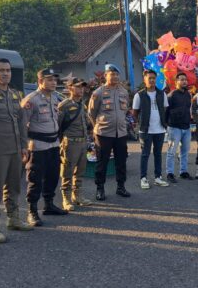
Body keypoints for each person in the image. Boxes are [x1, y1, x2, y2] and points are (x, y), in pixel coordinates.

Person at [0, 57, 33, 243]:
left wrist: (24, 146)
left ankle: (13, 219)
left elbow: (21, 122)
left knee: (14, 186)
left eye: (8, 70)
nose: (5, 73)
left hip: (15, 149)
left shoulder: (15, 94)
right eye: (1, 70)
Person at [21, 68, 67, 226]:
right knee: (35, 179)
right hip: (37, 145)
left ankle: (49, 204)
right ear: (40, 81)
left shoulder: (55, 98)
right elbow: (22, 125)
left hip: (54, 143)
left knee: (53, 176)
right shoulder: (31, 100)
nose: (53, 82)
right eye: (49, 79)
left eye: (54, 79)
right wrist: (24, 146)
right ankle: (32, 211)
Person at [87, 64, 131, 201]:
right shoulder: (98, 93)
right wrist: (97, 128)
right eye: (112, 74)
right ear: (105, 76)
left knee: (121, 161)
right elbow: (91, 113)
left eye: (117, 74)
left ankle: (121, 187)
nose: (115, 77)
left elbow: (125, 110)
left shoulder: (124, 92)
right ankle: (100, 188)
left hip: (121, 133)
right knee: (102, 162)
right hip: (103, 133)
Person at [58, 77, 92, 211]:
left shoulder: (82, 105)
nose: (81, 89)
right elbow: (58, 126)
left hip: (82, 142)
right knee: (67, 171)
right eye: (78, 87)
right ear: (70, 88)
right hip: (70, 143)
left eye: (82, 87)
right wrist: (61, 143)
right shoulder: (64, 105)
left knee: (80, 171)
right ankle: (66, 198)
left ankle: (77, 195)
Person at [132, 69, 169, 189]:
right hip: (145, 130)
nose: (152, 80)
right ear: (145, 79)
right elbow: (135, 113)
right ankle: (143, 178)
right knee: (145, 154)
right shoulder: (139, 95)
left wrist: (165, 124)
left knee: (158, 154)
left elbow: (165, 109)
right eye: (149, 78)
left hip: (160, 130)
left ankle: (158, 177)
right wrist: (139, 126)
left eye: (154, 78)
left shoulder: (161, 94)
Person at [165, 72, 193, 183]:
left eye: (185, 79)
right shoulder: (171, 95)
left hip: (186, 128)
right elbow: (165, 111)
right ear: (176, 82)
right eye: (181, 79)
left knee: (184, 151)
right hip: (174, 128)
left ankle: (183, 171)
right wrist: (167, 125)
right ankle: (170, 173)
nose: (184, 81)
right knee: (171, 151)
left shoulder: (188, 95)